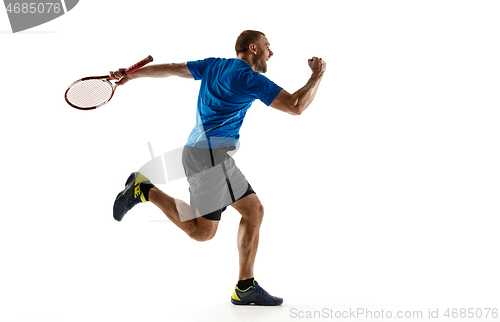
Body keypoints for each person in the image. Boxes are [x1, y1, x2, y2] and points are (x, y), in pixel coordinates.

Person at [110, 30, 326, 306]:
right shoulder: (249, 78)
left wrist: (132, 75)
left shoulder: (215, 65)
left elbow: (174, 69)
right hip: (208, 159)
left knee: (253, 210)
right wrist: (316, 76)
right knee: (202, 232)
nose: (271, 53)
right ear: (253, 48)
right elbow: (295, 106)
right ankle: (143, 189)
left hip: (207, 155)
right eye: (268, 47)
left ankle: (245, 286)